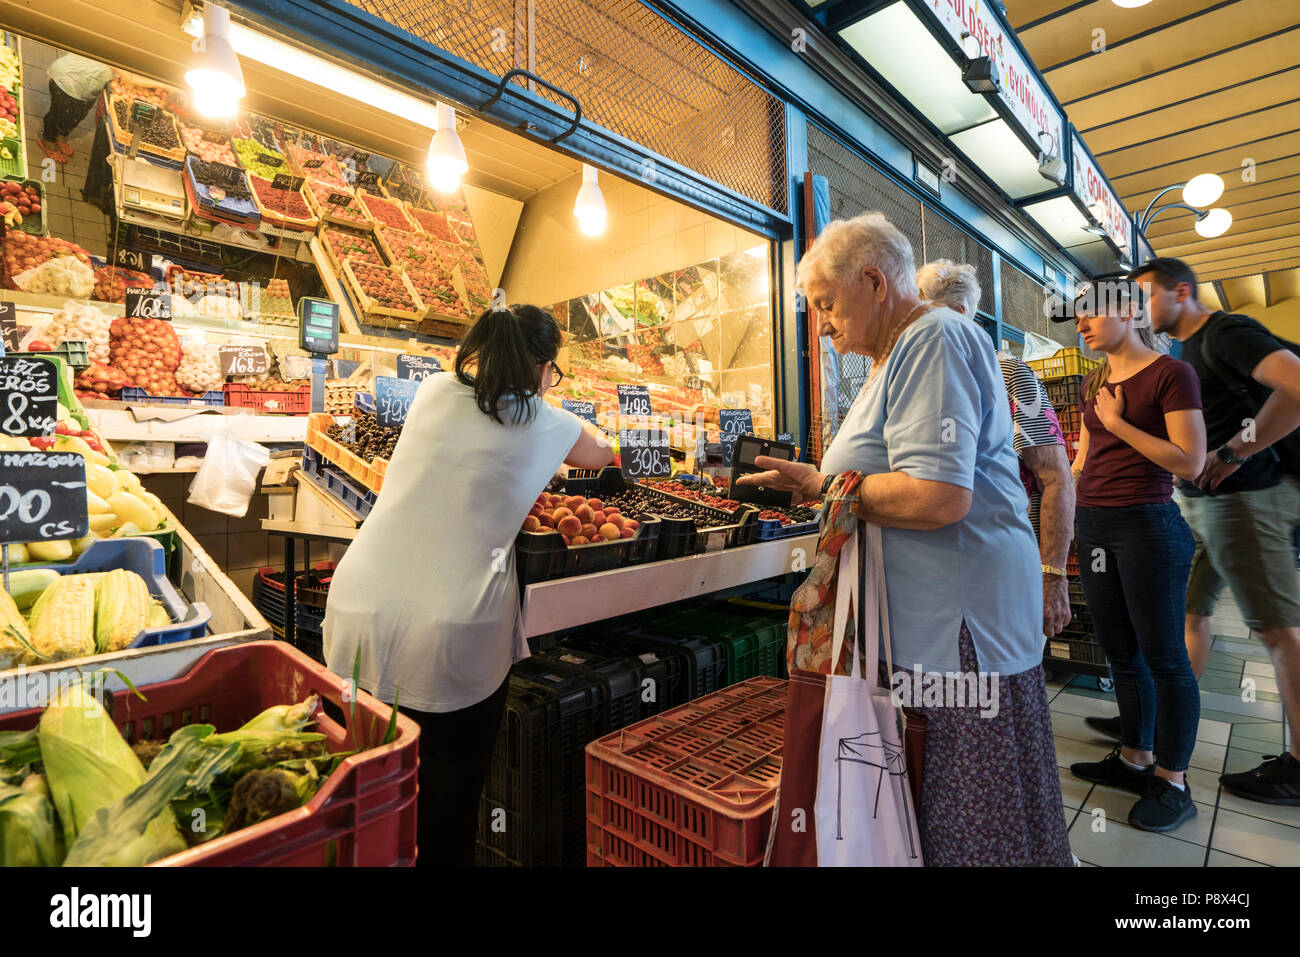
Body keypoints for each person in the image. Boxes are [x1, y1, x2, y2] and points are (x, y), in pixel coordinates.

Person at [741, 212, 1072, 866]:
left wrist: (824, 488)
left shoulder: (932, 338)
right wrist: (823, 480)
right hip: (938, 618)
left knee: (968, 809)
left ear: (873, 281)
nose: (824, 325)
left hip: (957, 626)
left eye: (828, 306)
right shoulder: (896, 354)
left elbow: (937, 494)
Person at [323, 305, 614, 866]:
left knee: (362, 797)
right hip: (452, 633)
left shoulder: (432, 391)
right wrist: (554, 401)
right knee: (444, 816)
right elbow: (602, 452)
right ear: (543, 367)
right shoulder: (545, 419)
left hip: (357, 606)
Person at [1128, 256, 1300, 806]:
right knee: (1190, 613)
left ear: (1182, 291)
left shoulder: (1225, 332)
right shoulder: (1183, 350)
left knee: (1279, 631)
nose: (1138, 311)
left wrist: (1233, 451)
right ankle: (1164, 719)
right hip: (1209, 507)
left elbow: (1295, 386)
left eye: (1145, 298)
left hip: (1247, 503)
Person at [1056, 279, 1207, 831]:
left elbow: (1190, 462)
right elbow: (1084, 456)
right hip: (1095, 525)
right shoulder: (1095, 380)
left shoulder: (1172, 374)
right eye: (1076, 317)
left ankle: (1174, 781)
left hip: (1148, 527)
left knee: (1164, 655)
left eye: (1089, 314)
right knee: (1119, 649)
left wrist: (1120, 423)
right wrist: (1064, 506)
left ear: (1124, 309)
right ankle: (1134, 757)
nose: (1081, 324)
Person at [917, 259, 1075, 639]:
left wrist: (1052, 576)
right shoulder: (924, 378)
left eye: (921, 314)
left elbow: (1056, 478)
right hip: (943, 577)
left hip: (1005, 568)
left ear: (957, 314)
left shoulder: (1006, 372)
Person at [37, 53, 114, 164]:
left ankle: (59, 135)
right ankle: (48, 142)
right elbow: (126, 73)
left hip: (87, 86)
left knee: (78, 114)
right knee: (58, 113)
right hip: (68, 78)